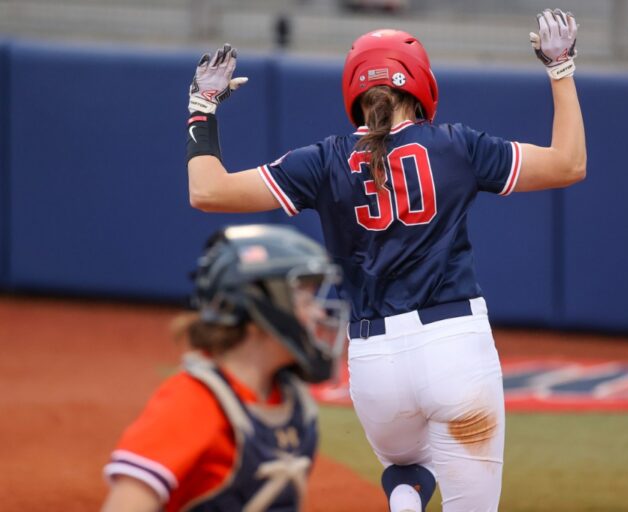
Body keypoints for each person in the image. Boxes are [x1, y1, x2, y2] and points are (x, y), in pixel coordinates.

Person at [184, 8, 585, 511]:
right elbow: (569, 163)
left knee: (407, 467)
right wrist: (560, 67)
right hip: (456, 346)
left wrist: (203, 106)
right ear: (420, 84)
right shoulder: (457, 146)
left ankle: (404, 500)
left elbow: (207, 191)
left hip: (374, 364)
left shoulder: (323, 159)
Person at [101, 224, 349, 511]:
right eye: (304, 298)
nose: (319, 312)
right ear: (259, 308)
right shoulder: (193, 401)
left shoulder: (292, 402)